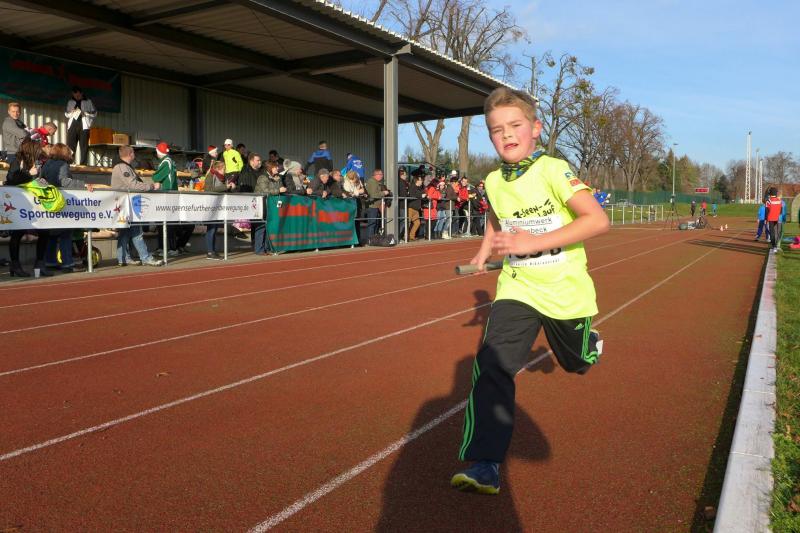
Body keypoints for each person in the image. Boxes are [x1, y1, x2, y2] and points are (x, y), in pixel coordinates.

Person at [451, 87, 608, 494]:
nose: (506, 134)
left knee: (576, 363)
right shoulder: (492, 180)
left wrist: (531, 242)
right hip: (517, 287)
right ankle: (486, 463)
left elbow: (597, 220)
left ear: (535, 128)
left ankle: (588, 343)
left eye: (515, 125)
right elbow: (497, 217)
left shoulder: (554, 170)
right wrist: (485, 249)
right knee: (492, 364)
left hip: (564, 290)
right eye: (496, 129)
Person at [110, 145, 163, 267]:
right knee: (136, 232)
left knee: (125, 232)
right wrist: (151, 186)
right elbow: (133, 185)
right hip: (126, 204)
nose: (135, 154)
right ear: (130, 154)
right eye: (133, 152)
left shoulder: (123, 166)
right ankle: (145, 257)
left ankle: (124, 258)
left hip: (124, 204)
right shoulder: (122, 167)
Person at [5, 139, 51, 277]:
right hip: (18, 203)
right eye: (37, 149)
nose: (39, 151)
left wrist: (43, 181)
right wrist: (28, 174)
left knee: (44, 231)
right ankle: (15, 264)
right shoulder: (17, 161)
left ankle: (40, 263)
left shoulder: (37, 162)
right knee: (18, 233)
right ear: (31, 149)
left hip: (34, 203)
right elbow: (11, 179)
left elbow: (41, 179)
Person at [152, 142, 180, 257]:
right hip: (169, 194)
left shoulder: (166, 161)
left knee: (167, 223)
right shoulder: (169, 161)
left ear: (159, 152)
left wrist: (155, 178)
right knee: (162, 223)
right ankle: (162, 247)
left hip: (167, 194)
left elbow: (157, 176)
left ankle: (172, 248)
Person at [204, 160, 235, 259]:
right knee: (211, 229)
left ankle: (212, 251)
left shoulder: (223, 177)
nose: (225, 171)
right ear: (218, 168)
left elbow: (224, 189)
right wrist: (225, 187)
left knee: (214, 229)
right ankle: (210, 252)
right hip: (211, 205)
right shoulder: (210, 176)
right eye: (223, 169)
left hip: (219, 205)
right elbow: (209, 189)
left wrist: (231, 187)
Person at [65, 87, 97, 165]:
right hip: (72, 125)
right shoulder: (70, 102)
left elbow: (95, 113)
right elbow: (66, 114)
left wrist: (85, 113)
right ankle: (69, 163)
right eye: (75, 95)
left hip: (84, 125)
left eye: (78, 95)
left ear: (81, 93)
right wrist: (71, 112)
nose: (76, 96)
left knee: (84, 146)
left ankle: (83, 164)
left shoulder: (88, 101)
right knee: (70, 145)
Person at [364, 168, 389, 241]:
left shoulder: (376, 182)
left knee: (376, 223)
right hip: (372, 206)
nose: (382, 176)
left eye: (382, 174)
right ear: (376, 175)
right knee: (372, 223)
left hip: (376, 205)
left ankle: (374, 239)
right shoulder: (372, 182)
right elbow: (373, 194)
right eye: (381, 174)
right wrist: (383, 193)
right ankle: (370, 240)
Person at [406, 174, 425, 241]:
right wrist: (421, 195)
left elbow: (421, 194)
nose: (422, 181)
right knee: (408, 222)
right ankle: (405, 236)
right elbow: (412, 194)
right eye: (421, 180)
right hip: (411, 207)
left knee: (417, 223)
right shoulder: (412, 187)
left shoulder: (419, 188)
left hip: (416, 208)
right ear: (417, 181)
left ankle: (411, 236)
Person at [765, 187, 782, 253]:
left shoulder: (768, 201)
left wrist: (765, 219)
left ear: (770, 193)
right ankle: (776, 245)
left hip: (770, 218)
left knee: (772, 232)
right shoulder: (779, 200)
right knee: (776, 232)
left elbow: (767, 212)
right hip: (777, 218)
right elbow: (780, 211)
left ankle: (774, 246)